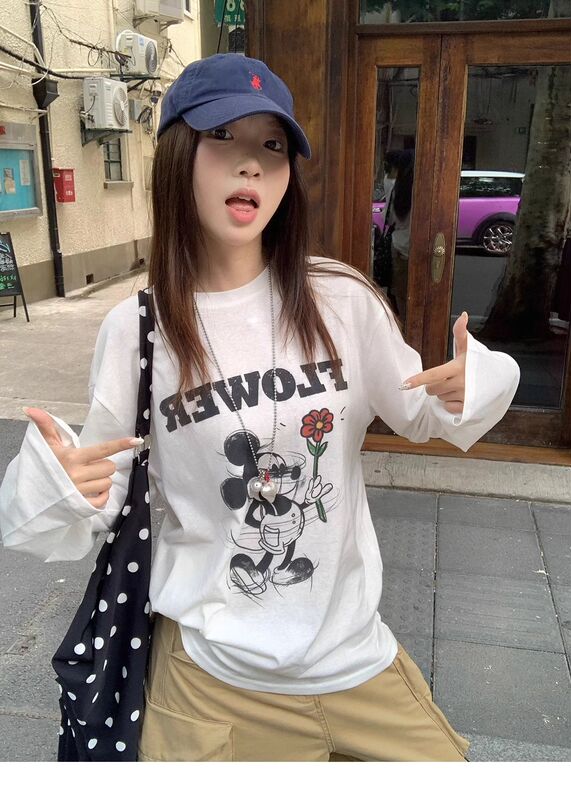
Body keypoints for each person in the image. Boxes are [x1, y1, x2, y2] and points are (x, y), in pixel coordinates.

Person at [0, 53, 520, 762]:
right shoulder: (140, 329)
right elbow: (98, 491)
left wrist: (470, 383)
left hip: (351, 661)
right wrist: (62, 485)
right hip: (212, 678)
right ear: (177, 157)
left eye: (272, 146)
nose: (251, 164)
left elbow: (424, 414)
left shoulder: (339, 298)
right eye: (224, 138)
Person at [379, 149, 414, 324]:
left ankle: (404, 330)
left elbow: (389, 218)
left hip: (400, 247)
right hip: (418, 251)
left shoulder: (396, 188)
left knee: (400, 295)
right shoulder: (425, 191)